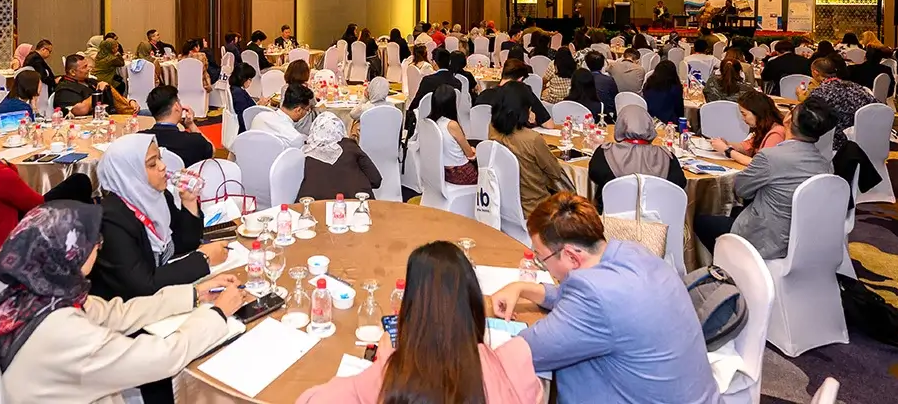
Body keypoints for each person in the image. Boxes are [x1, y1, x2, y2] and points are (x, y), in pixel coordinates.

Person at [0, 201, 246, 404]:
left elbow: (116, 313)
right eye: (92, 240)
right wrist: (218, 313)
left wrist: (194, 294)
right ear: (70, 252)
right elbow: (163, 358)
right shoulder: (63, 332)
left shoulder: (35, 293)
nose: (100, 245)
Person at [491, 193, 719, 404]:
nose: (544, 265)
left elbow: (525, 352)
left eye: (543, 259)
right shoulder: (632, 253)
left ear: (570, 255)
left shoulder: (594, 295)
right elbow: (573, 297)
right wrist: (523, 288)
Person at [297, 241, 543, 404]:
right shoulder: (513, 362)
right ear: (473, 303)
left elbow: (311, 400)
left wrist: (386, 360)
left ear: (412, 309)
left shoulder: (392, 380)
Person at [90, 133, 232, 302]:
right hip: (125, 309)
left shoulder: (158, 197)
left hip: (159, 298)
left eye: (159, 158)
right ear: (129, 173)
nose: (162, 166)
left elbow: (185, 243)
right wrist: (203, 259)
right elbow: (143, 285)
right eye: (152, 164)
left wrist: (189, 201)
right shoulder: (111, 219)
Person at [694, 99, 836, 258]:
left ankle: (729, 265)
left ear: (788, 118)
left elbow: (741, 190)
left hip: (763, 240)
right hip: (803, 242)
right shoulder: (826, 166)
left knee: (700, 221)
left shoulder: (771, 157)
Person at [0, 114, 93, 258]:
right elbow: (35, 204)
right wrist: (8, 168)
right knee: (79, 182)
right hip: (4, 243)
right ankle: (84, 246)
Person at [490, 84, 569, 216]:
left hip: (503, 203)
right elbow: (555, 172)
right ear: (524, 109)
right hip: (535, 206)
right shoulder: (532, 139)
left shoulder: (492, 129)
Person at [587, 106, 686, 211]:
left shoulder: (605, 152)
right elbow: (680, 183)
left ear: (620, 125)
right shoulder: (667, 156)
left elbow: (594, 175)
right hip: (657, 221)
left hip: (613, 219)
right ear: (650, 126)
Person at [797, 56, 877, 150]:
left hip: (832, 143)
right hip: (864, 138)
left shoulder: (820, 93)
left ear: (815, 72)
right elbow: (876, 106)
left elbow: (809, 119)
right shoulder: (855, 87)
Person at [298, 113, 383, 201]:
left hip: (313, 208)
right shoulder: (351, 147)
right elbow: (376, 180)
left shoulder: (304, 153)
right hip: (357, 205)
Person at [710, 91, 786, 167]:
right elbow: (747, 147)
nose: (743, 118)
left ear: (757, 113)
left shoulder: (776, 133)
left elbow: (761, 164)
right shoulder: (764, 128)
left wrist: (727, 150)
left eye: (744, 114)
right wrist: (726, 144)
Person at [145, 86, 215, 167]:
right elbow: (212, 151)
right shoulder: (193, 141)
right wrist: (191, 125)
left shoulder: (141, 139)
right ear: (177, 106)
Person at [430, 84, 477, 186]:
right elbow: (469, 154)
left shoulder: (431, 123)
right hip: (460, 172)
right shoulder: (452, 125)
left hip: (441, 172)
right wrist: (473, 151)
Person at [642, 60, 685, 125]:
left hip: (649, 119)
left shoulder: (648, 84)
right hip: (669, 121)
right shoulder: (675, 87)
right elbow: (679, 108)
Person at [228, 63, 266, 134]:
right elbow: (244, 116)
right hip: (247, 127)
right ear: (243, 78)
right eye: (250, 79)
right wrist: (260, 106)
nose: (250, 82)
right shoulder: (238, 93)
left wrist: (257, 105)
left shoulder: (235, 89)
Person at [584, 52, 619, 120]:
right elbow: (615, 97)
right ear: (603, 64)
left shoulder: (582, 79)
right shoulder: (608, 80)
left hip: (586, 113)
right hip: (606, 114)